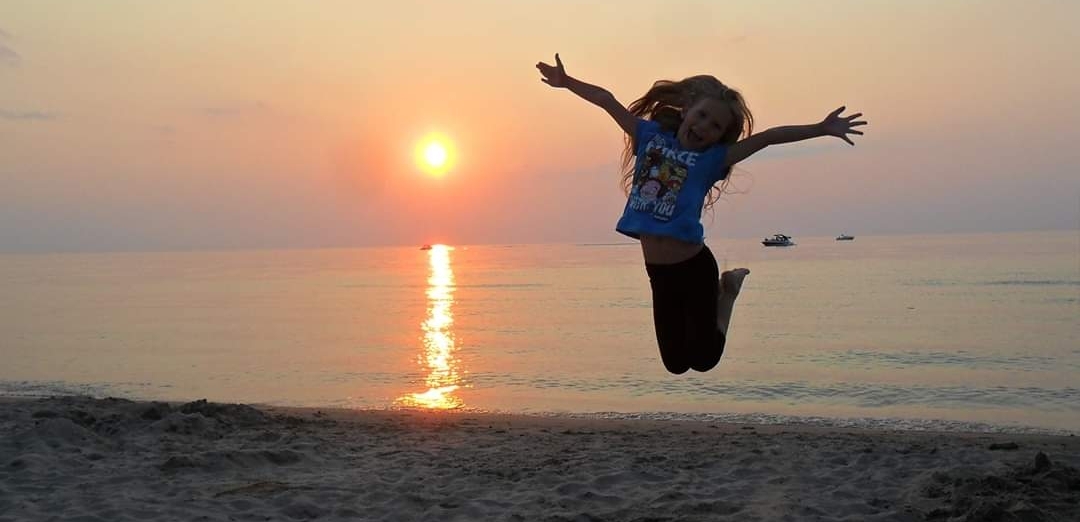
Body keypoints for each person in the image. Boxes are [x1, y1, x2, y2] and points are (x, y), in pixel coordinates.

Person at [536, 53, 867, 375]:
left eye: (715, 126)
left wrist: (822, 128)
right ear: (687, 111)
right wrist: (567, 82)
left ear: (720, 136)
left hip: (694, 267)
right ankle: (726, 293)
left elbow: (768, 138)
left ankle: (729, 291)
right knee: (676, 365)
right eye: (702, 115)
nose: (704, 126)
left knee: (705, 358)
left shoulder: (713, 160)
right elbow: (606, 99)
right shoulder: (648, 137)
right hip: (658, 273)